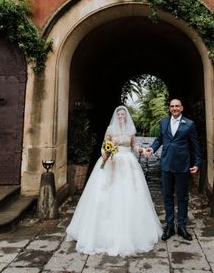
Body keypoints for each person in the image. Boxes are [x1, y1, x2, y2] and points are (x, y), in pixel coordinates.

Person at [66, 105, 162, 256]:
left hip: (128, 163)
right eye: (119, 115)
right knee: (105, 193)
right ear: (116, 116)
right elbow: (105, 146)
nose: (121, 117)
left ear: (126, 116)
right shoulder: (110, 129)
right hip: (112, 162)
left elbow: (134, 146)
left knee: (130, 193)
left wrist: (142, 150)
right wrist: (105, 154)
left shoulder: (131, 130)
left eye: (123, 115)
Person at [145, 98, 201, 241]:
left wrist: (197, 163)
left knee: (182, 197)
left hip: (182, 166)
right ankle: (169, 226)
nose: (174, 108)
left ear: (182, 108)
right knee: (167, 196)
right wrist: (152, 148)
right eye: (172, 106)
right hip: (166, 165)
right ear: (169, 108)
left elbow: (195, 145)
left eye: (177, 106)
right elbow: (159, 139)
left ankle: (182, 226)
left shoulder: (189, 124)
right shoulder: (163, 122)